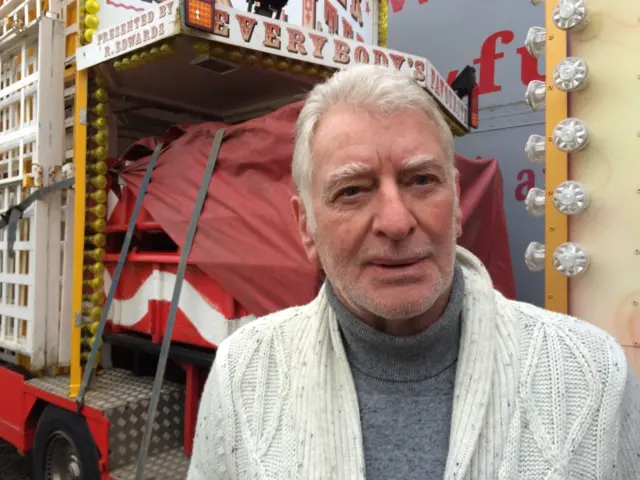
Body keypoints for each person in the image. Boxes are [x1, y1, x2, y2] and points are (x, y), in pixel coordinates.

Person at [187, 64, 640, 479]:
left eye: (421, 180)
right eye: (353, 190)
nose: (397, 221)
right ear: (306, 227)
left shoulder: (591, 376)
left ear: (458, 203)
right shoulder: (242, 375)